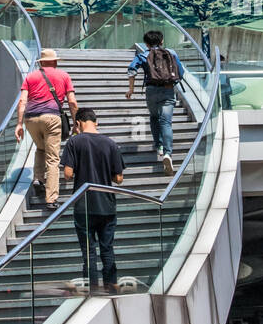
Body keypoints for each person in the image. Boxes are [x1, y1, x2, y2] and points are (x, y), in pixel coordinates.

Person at [62, 108, 125, 294]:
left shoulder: (74, 142)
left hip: (84, 206)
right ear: (95, 122)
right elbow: (119, 178)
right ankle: (111, 288)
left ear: (78, 123)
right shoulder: (111, 144)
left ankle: (92, 291)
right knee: (107, 249)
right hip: (107, 205)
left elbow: (67, 174)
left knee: (89, 253)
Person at [15, 48, 78, 211]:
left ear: (41, 63)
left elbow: (22, 101)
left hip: (31, 119)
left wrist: (19, 124)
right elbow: (72, 102)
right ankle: (51, 199)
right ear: (55, 61)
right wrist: (76, 122)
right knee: (53, 158)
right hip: (51, 118)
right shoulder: (64, 76)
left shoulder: (30, 76)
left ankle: (38, 179)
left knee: (40, 148)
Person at [125, 29, 185, 175]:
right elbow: (181, 72)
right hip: (168, 90)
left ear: (146, 43)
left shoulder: (143, 55)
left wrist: (131, 89)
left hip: (151, 91)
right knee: (166, 122)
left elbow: (132, 70)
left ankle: (158, 145)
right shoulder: (171, 53)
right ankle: (167, 153)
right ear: (162, 40)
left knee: (154, 117)